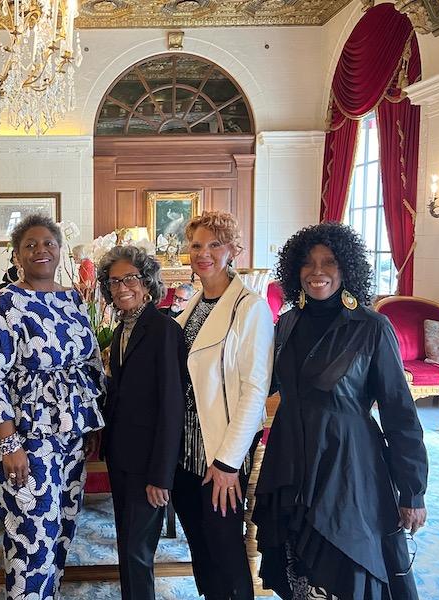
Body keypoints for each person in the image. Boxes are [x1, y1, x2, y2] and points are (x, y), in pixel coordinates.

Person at [253, 222, 428, 600]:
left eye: (328, 262)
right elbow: (259, 386)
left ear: (346, 267)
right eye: (308, 263)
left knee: (344, 565)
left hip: (346, 467)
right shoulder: (286, 324)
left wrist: (412, 491)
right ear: (295, 270)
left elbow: (400, 416)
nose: (317, 272)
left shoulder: (372, 327)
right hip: (289, 459)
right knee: (298, 567)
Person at [0, 214, 106, 600]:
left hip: (72, 434)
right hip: (26, 441)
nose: (41, 250)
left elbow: (91, 363)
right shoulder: (3, 305)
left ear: (59, 250)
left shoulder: (72, 300)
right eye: (30, 245)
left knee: (61, 529)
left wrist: (92, 424)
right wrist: (9, 445)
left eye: (48, 243)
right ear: (16, 256)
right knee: (31, 536)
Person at [172, 210, 274, 600]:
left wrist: (229, 462)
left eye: (215, 244)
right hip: (185, 452)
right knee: (200, 546)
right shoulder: (194, 303)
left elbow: (254, 390)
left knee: (226, 548)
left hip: (220, 455)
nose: (204, 253)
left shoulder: (250, 307)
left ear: (232, 250)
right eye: (197, 245)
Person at [97, 245, 186, 600]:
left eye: (130, 279)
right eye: (114, 281)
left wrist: (160, 475)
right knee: (128, 544)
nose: (122, 288)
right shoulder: (121, 331)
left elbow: (171, 405)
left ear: (147, 283)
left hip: (148, 463)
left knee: (137, 551)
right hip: (122, 458)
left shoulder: (163, 329)